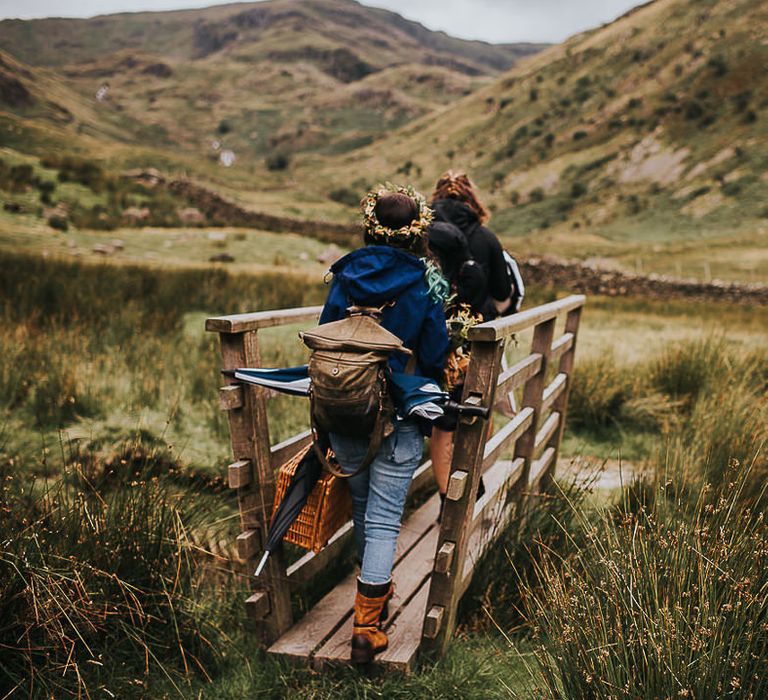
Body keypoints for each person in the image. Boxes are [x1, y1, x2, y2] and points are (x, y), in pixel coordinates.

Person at [318, 184, 450, 663]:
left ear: (370, 226)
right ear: (417, 230)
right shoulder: (426, 281)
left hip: (346, 411)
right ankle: (366, 627)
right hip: (397, 418)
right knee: (385, 518)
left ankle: (370, 597)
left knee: (361, 508)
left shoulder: (344, 275)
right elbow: (434, 355)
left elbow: (325, 335)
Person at [427, 171, 512, 508]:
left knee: (441, 420)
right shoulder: (487, 239)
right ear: (472, 199)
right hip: (478, 343)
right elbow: (504, 294)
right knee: (477, 410)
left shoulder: (423, 235)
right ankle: (471, 480)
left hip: (433, 338)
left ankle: (447, 500)